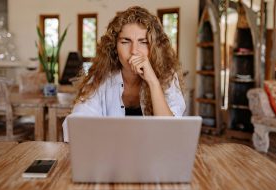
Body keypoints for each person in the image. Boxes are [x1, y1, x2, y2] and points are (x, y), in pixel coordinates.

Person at [62, 6, 186, 142]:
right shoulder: (100, 77)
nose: (134, 51)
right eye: (125, 42)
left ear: (154, 47)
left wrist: (153, 82)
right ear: (115, 47)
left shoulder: (167, 76)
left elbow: (170, 135)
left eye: (143, 42)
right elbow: (73, 128)